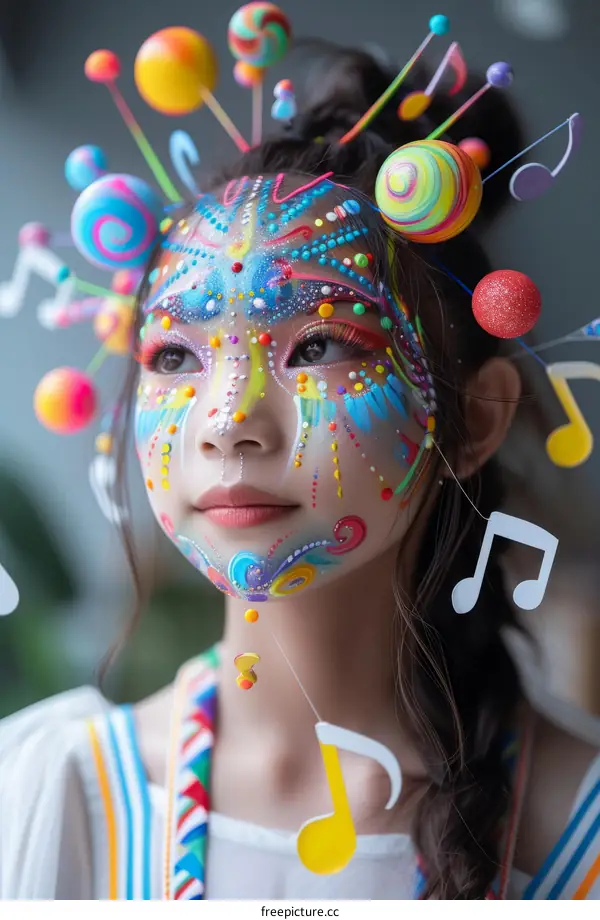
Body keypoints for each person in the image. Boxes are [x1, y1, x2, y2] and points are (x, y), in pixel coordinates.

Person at [1, 37, 599, 902]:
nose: (227, 422)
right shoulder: (47, 801)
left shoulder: (582, 831)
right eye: (174, 357)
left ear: (474, 419)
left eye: (318, 345)